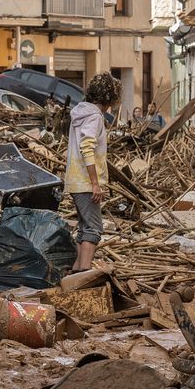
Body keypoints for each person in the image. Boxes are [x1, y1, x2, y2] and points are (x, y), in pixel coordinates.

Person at [65, 73, 121, 273]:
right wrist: (95, 183)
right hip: (85, 182)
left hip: (74, 180)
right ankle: (84, 276)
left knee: (84, 227)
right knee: (94, 229)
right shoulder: (95, 116)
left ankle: (76, 272)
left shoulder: (79, 112)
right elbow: (86, 147)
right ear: (107, 98)